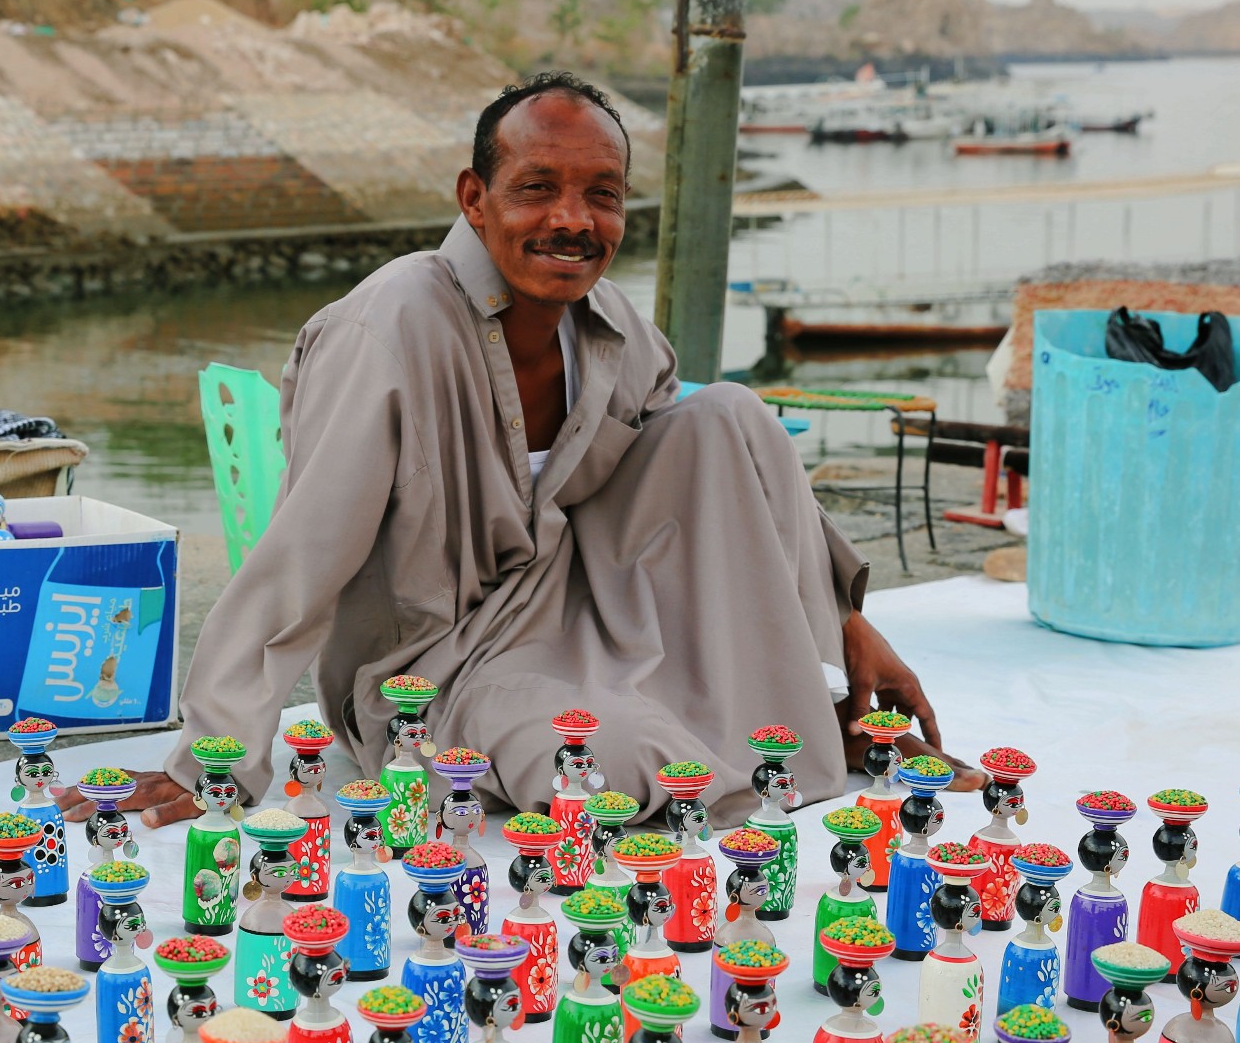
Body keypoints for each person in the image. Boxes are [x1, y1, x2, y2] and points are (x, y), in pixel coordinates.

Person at [70, 73, 973, 832]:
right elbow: (296, 563)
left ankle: (792, 720)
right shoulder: (388, 332)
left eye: (602, 196)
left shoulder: (616, 329)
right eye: (537, 187)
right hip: (439, 671)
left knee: (731, 414)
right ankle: (765, 738)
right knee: (602, 762)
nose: (572, 220)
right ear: (475, 198)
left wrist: (851, 624)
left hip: (591, 613)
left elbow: (732, 484)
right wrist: (209, 761)